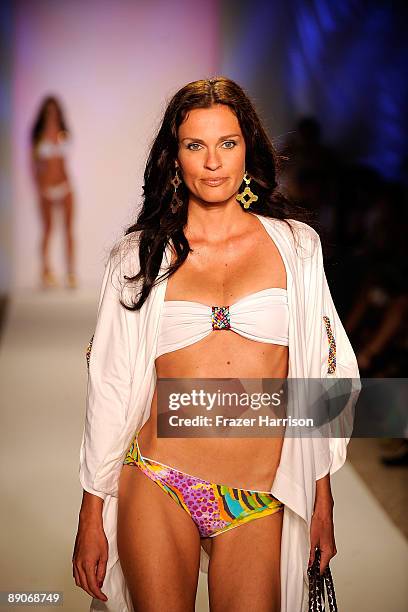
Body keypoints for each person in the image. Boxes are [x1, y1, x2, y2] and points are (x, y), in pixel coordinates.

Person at [73, 77, 360, 612]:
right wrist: (91, 514)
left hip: (260, 493)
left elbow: (325, 379)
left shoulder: (296, 248)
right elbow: (110, 386)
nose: (212, 162)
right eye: (194, 145)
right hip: (159, 477)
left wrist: (322, 501)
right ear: (174, 156)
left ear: (247, 149)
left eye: (227, 143)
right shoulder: (139, 257)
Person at [30, 95, 77, 289]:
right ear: (44, 112)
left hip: (65, 186)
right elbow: (34, 165)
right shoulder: (39, 137)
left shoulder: (64, 133)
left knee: (68, 230)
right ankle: (46, 271)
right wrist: (39, 188)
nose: (51, 113)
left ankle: (71, 272)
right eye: (48, 110)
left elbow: (64, 162)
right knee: (48, 230)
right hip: (46, 189)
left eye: (54, 109)